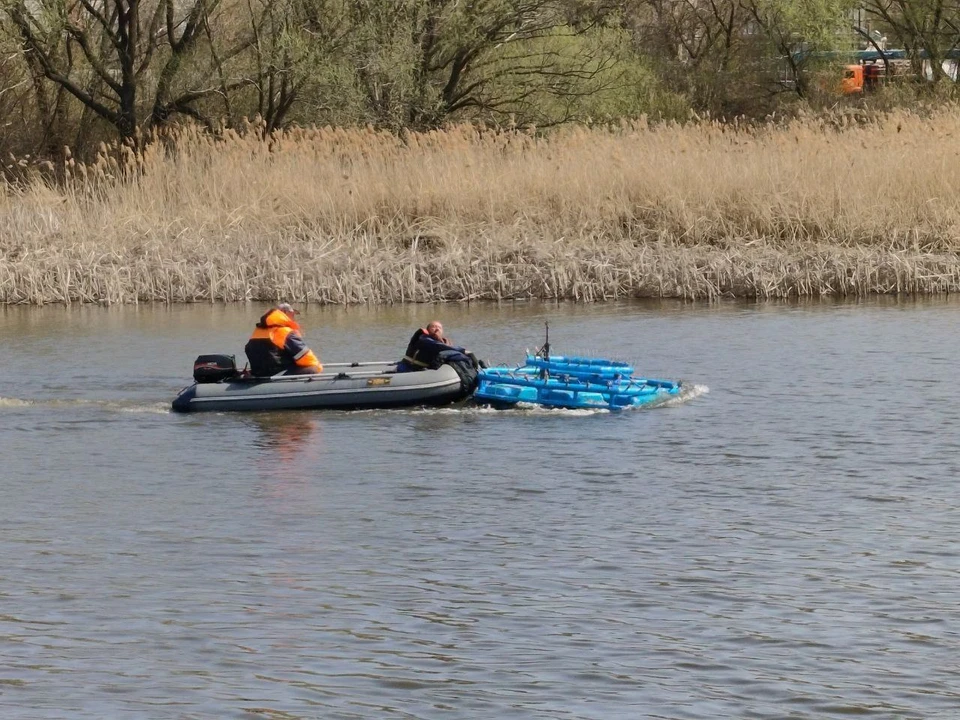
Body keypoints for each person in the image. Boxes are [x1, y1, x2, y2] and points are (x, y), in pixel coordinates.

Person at [244, 303, 323, 376]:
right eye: (292, 314)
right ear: (284, 313)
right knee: (314, 367)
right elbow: (308, 359)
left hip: (259, 373)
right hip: (278, 374)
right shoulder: (284, 332)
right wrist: (318, 367)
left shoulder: (257, 331)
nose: (293, 318)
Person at [397, 320, 485, 372]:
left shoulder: (442, 342)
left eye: (439, 327)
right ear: (428, 330)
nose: (437, 329)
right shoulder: (423, 339)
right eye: (434, 327)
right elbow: (438, 346)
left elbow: (448, 351)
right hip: (408, 368)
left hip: (421, 370)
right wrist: (463, 351)